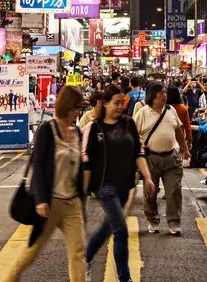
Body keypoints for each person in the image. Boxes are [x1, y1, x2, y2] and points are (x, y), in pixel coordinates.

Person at [12, 87, 87, 282]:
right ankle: (11, 277)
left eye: (80, 108)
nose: (77, 112)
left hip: (72, 203)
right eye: (75, 108)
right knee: (33, 250)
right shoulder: (47, 129)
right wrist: (41, 199)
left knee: (78, 251)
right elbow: (37, 164)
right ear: (66, 106)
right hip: (51, 203)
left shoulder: (77, 132)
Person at [83, 84, 155, 282]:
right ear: (104, 103)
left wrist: (147, 176)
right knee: (121, 230)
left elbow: (138, 154)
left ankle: (84, 260)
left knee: (108, 227)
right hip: (105, 187)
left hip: (124, 186)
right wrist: (83, 192)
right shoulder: (94, 127)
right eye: (116, 103)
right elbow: (86, 161)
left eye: (122, 103)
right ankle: (125, 278)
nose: (120, 107)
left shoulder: (128, 124)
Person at [134, 81, 189, 235]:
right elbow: (133, 134)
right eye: (160, 94)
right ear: (152, 96)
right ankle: (152, 219)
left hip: (171, 157)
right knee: (150, 192)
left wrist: (184, 148)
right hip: (150, 158)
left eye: (165, 93)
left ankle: (174, 222)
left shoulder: (171, 110)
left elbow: (179, 130)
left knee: (174, 192)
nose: (164, 96)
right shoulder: (142, 113)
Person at [167, 85, 193, 154]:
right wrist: (189, 141)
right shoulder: (182, 108)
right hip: (179, 141)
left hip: (166, 140)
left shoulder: (163, 108)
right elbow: (187, 126)